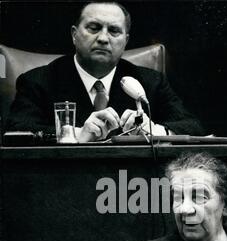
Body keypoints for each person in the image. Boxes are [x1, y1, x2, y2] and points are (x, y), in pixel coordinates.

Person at [5, 1, 204, 141]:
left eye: (114, 31)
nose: (103, 38)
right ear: (74, 35)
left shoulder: (150, 82)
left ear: (125, 40)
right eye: (94, 28)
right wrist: (74, 135)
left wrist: (155, 130)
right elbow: (15, 133)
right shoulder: (38, 81)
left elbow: (193, 128)